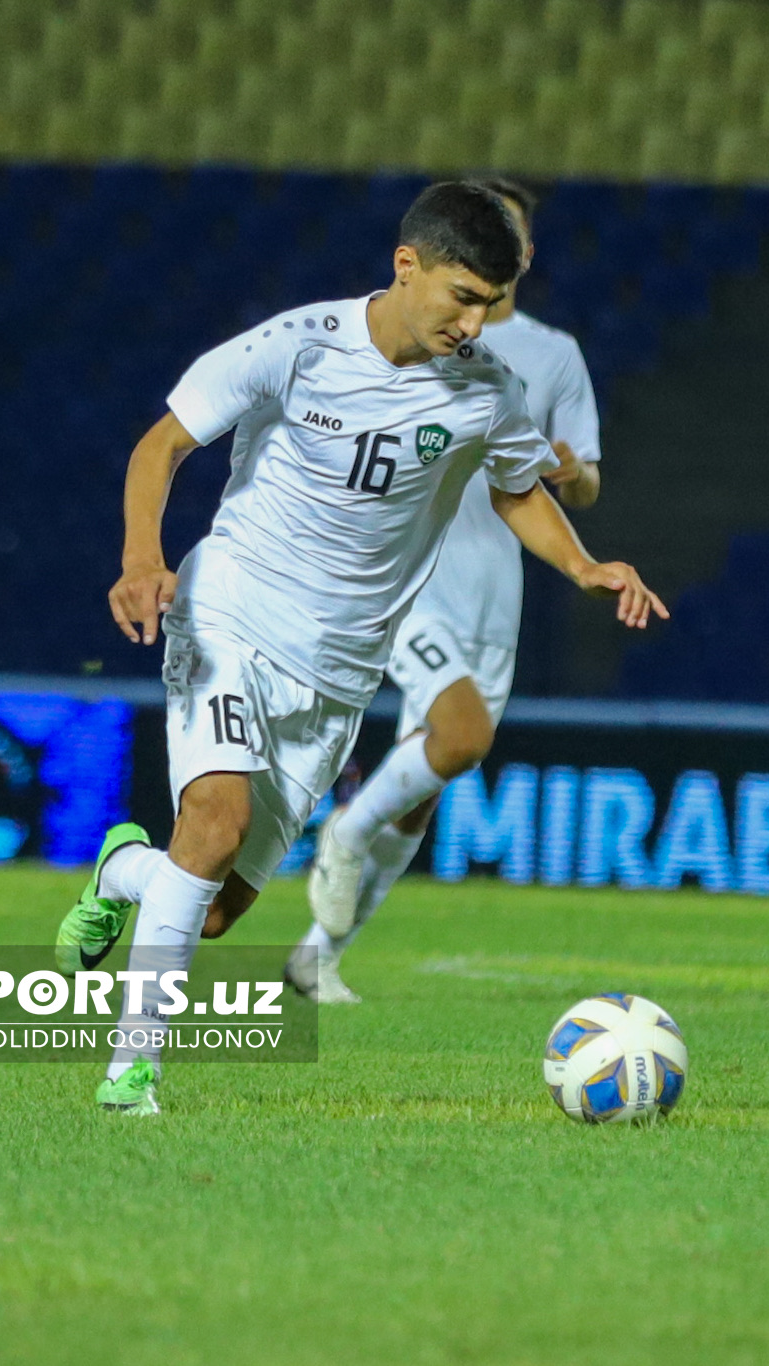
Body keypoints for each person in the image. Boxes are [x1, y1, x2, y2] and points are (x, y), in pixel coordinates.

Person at [55, 181, 666, 1114]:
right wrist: (143, 557)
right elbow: (161, 445)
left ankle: (122, 869)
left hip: (339, 673)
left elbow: (515, 487)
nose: (474, 323)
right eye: (462, 297)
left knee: (211, 910)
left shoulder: (485, 389)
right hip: (233, 613)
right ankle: (130, 1075)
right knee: (212, 825)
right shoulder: (296, 347)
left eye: (490, 304)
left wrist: (585, 569)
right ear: (405, 265)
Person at [291, 177, 602, 1004]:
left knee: (423, 797)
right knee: (460, 736)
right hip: (406, 574)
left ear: (525, 253)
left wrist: (572, 477)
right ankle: (344, 829)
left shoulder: (552, 356)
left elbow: (584, 480)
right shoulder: (411, 338)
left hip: (494, 592)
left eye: (514, 235)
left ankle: (318, 953)